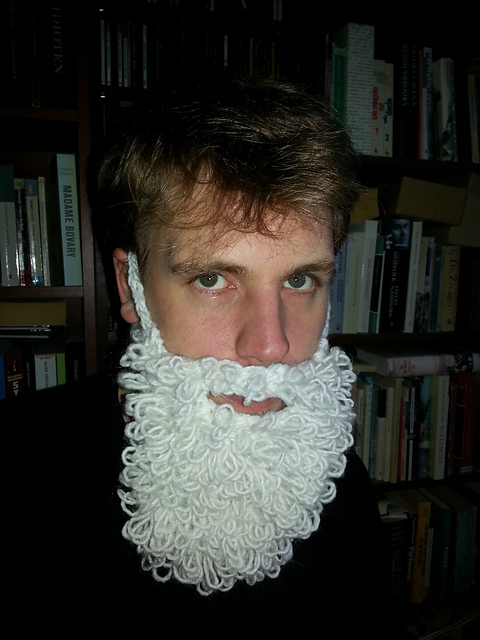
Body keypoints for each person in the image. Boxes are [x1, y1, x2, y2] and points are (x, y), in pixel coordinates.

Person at [4, 74, 394, 634]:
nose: (273, 347)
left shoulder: (341, 480)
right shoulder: (18, 476)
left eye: (300, 279)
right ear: (129, 285)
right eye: (212, 279)